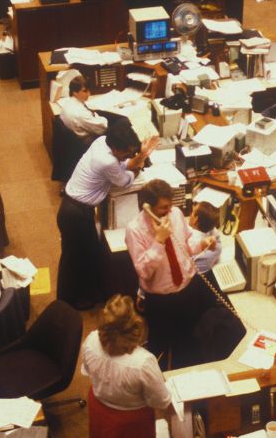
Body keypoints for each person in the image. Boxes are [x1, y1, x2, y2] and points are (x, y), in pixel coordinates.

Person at [58, 122, 158, 310]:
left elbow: (123, 164)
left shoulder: (102, 141)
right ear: (115, 149)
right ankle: (65, 303)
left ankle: (83, 295)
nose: (129, 155)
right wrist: (140, 163)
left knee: (87, 254)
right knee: (73, 259)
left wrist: (140, 156)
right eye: (127, 152)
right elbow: (125, 181)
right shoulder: (107, 162)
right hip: (76, 214)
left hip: (75, 209)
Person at [125, 179, 224, 368]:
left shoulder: (176, 214)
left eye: (170, 206)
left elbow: (186, 244)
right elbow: (144, 271)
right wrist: (159, 241)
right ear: (147, 207)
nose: (169, 210)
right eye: (164, 207)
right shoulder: (134, 230)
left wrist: (202, 243)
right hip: (161, 302)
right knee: (160, 348)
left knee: (188, 343)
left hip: (188, 291)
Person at [81, 295, 173, 437]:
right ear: (136, 328)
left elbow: (87, 371)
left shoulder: (91, 340)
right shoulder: (143, 362)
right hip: (132, 422)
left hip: (99, 409)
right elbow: (162, 401)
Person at [57, 75, 109, 140]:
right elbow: (103, 129)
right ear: (75, 92)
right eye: (85, 91)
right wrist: (102, 118)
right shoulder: (81, 113)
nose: (89, 94)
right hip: (87, 140)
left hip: (75, 136)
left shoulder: (67, 103)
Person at [188, 203, 222, 274]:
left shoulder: (190, 239)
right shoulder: (211, 230)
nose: (190, 214)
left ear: (196, 219)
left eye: (192, 212)